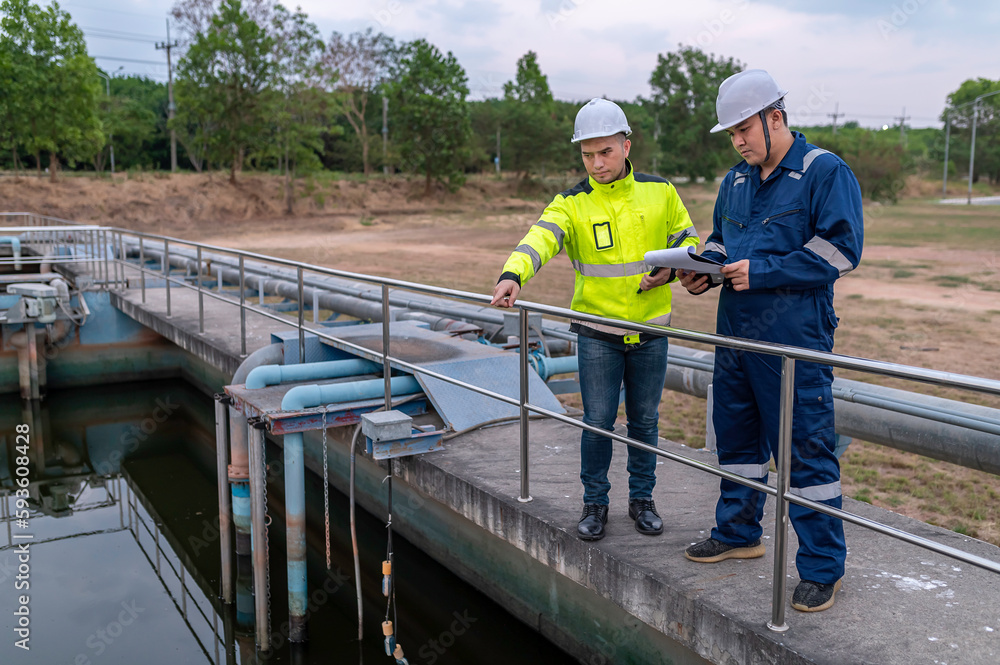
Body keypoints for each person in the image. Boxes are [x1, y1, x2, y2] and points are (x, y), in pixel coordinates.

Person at [678, 70, 863, 612]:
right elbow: (720, 242)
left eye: (744, 129)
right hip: (735, 335)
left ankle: (822, 568)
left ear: (775, 117)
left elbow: (841, 251)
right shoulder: (735, 180)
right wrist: (700, 270)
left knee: (803, 450)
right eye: (731, 133)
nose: (738, 141)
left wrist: (761, 272)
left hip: (792, 340)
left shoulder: (823, 172)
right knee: (736, 440)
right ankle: (738, 532)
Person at [491, 98, 699, 541]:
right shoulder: (572, 202)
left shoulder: (660, 191)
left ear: (626, 145)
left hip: (650, 331)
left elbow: (687, 236)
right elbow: (539, 239)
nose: (596, 163)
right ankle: (595, 504)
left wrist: (676, 266)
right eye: (587, 154)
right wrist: (513, 274)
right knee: (597, 423)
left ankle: (642, 500)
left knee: (645, 422)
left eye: (605, 152)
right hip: (597, 334)